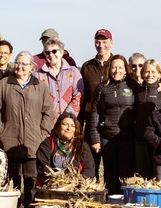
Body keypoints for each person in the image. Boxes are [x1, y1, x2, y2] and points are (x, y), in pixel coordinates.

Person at [0, 54, 58, 189]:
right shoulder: (4, 84)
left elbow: (48, 113)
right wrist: (2, 132)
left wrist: (43, 133)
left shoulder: (40, 87)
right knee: (12, 179)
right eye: (17, 63)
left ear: (31, 67)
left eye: (24, 64)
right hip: (9, 142)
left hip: (34, 142)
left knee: (32, 179)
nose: (20, 67)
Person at [88, 55, 137, 186]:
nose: (117, 71)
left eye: (120, 67)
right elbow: (95, 113)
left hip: (128, 138)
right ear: (109, 69)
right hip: (108, 137)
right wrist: (95, 139)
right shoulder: (102, 88)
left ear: (126, 70)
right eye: (114, 67)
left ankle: (125, 204)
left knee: (126, 175)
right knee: (110, 175)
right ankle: (110, 203)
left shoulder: (133, 86)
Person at [36, 110, 97, 188]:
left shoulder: (82, 145)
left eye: (72, 126)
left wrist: (77, 182)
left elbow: (90, 168)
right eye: (65, 124)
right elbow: (43, 167)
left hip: (77, 187)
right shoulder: (47, 144)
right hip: (52, 187)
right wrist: (59, 182)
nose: (69, 128)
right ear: (58, 127)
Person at [32, 29, 83, 117]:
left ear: (62, 52)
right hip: (47, 123)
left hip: (70, 122)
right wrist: (48, 119)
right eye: (47, 52)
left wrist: (65, 118)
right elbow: (36, 99)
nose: (51, 54)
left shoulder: (73, 71)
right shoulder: (38, 75)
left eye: (54, 51)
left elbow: (78, 96)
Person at [80, 29, 118, 112]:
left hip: (112, 117)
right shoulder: (87, 66)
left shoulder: (118, 66)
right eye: (98, 42)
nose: (101, 45)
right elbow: (82, 96)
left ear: (111, 43)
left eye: (104, 42)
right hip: (91, 117)